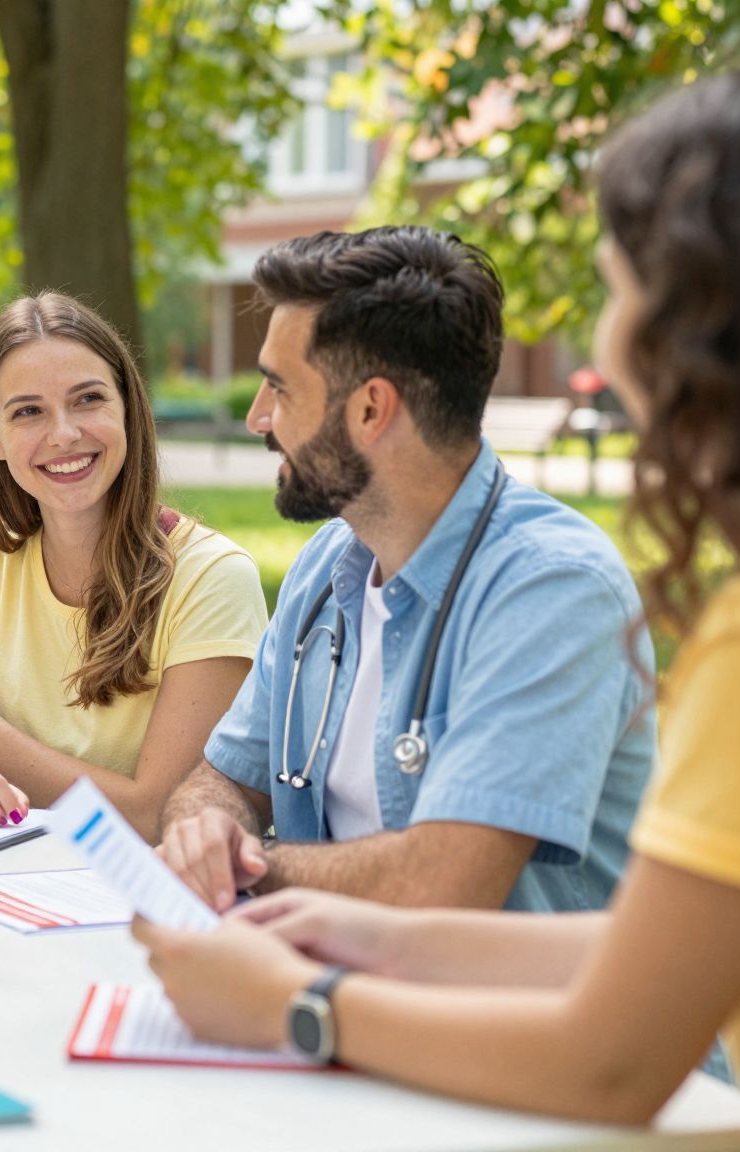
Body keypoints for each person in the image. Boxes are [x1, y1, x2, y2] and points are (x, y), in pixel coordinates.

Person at [133, 61, 740, 1150]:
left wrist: (296, 1006)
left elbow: (610, 1059)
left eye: (619, 292)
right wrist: (350, 934)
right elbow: (658, 949)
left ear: (702, 334)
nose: (607, 343)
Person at [156, 226, 653, 916]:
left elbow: (446, 883)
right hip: (337, 991)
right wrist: (205, 827)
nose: (256, 417)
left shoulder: (554, 590)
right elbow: (219, 781)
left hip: (505, 1017)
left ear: (370, 409)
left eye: (278, 388)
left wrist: (248, 867)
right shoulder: (325, 571)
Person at [0, 293, 267, 834]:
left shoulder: (213, 578)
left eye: (88, 400)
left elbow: (160, 815)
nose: (64, 434)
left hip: (147, 900)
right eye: (28, 411)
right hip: (19, 879)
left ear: (128, 408)